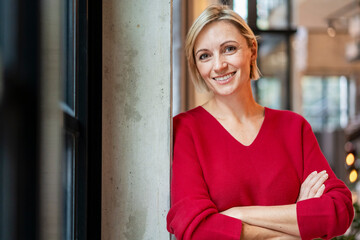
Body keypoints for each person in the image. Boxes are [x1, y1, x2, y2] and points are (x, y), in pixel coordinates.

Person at [166, 4, 354, 240]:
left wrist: (237, 214)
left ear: (252, 50)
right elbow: (194, 228)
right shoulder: (186, 129)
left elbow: (338, 210)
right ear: (197, 65)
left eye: (229, 49)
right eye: (205, 56)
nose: (219, 65)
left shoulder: (293, 128)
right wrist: (293, 224)